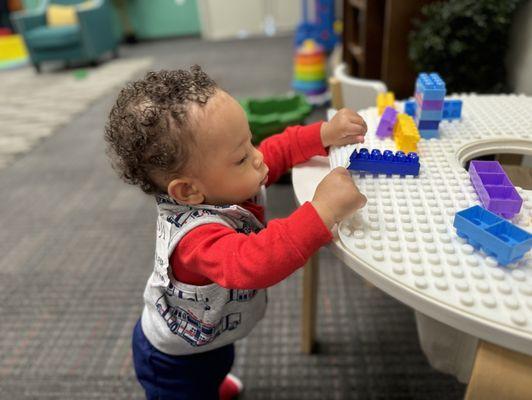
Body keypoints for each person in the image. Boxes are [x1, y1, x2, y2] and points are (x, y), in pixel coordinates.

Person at [104, 66, 367, 400]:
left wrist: (322, 134)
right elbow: (253, 263)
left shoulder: (225, 181)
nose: (258, 158)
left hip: (211, 334)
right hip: (173, 362)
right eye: (242, 156)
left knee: (218, 360)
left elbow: (279, 149)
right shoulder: (194, 241)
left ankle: (212, 381)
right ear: (188, 192)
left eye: (250, 143)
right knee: (193, 386)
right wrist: (323, 210)